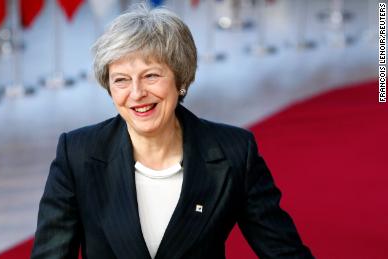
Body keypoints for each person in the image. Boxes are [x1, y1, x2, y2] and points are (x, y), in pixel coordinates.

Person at [31, 4, 313, 259]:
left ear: (181, 78)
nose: (137, 93)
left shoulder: (234, 152)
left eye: (151, 75)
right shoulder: (78, 154)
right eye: (121, 80)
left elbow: (285, 254)